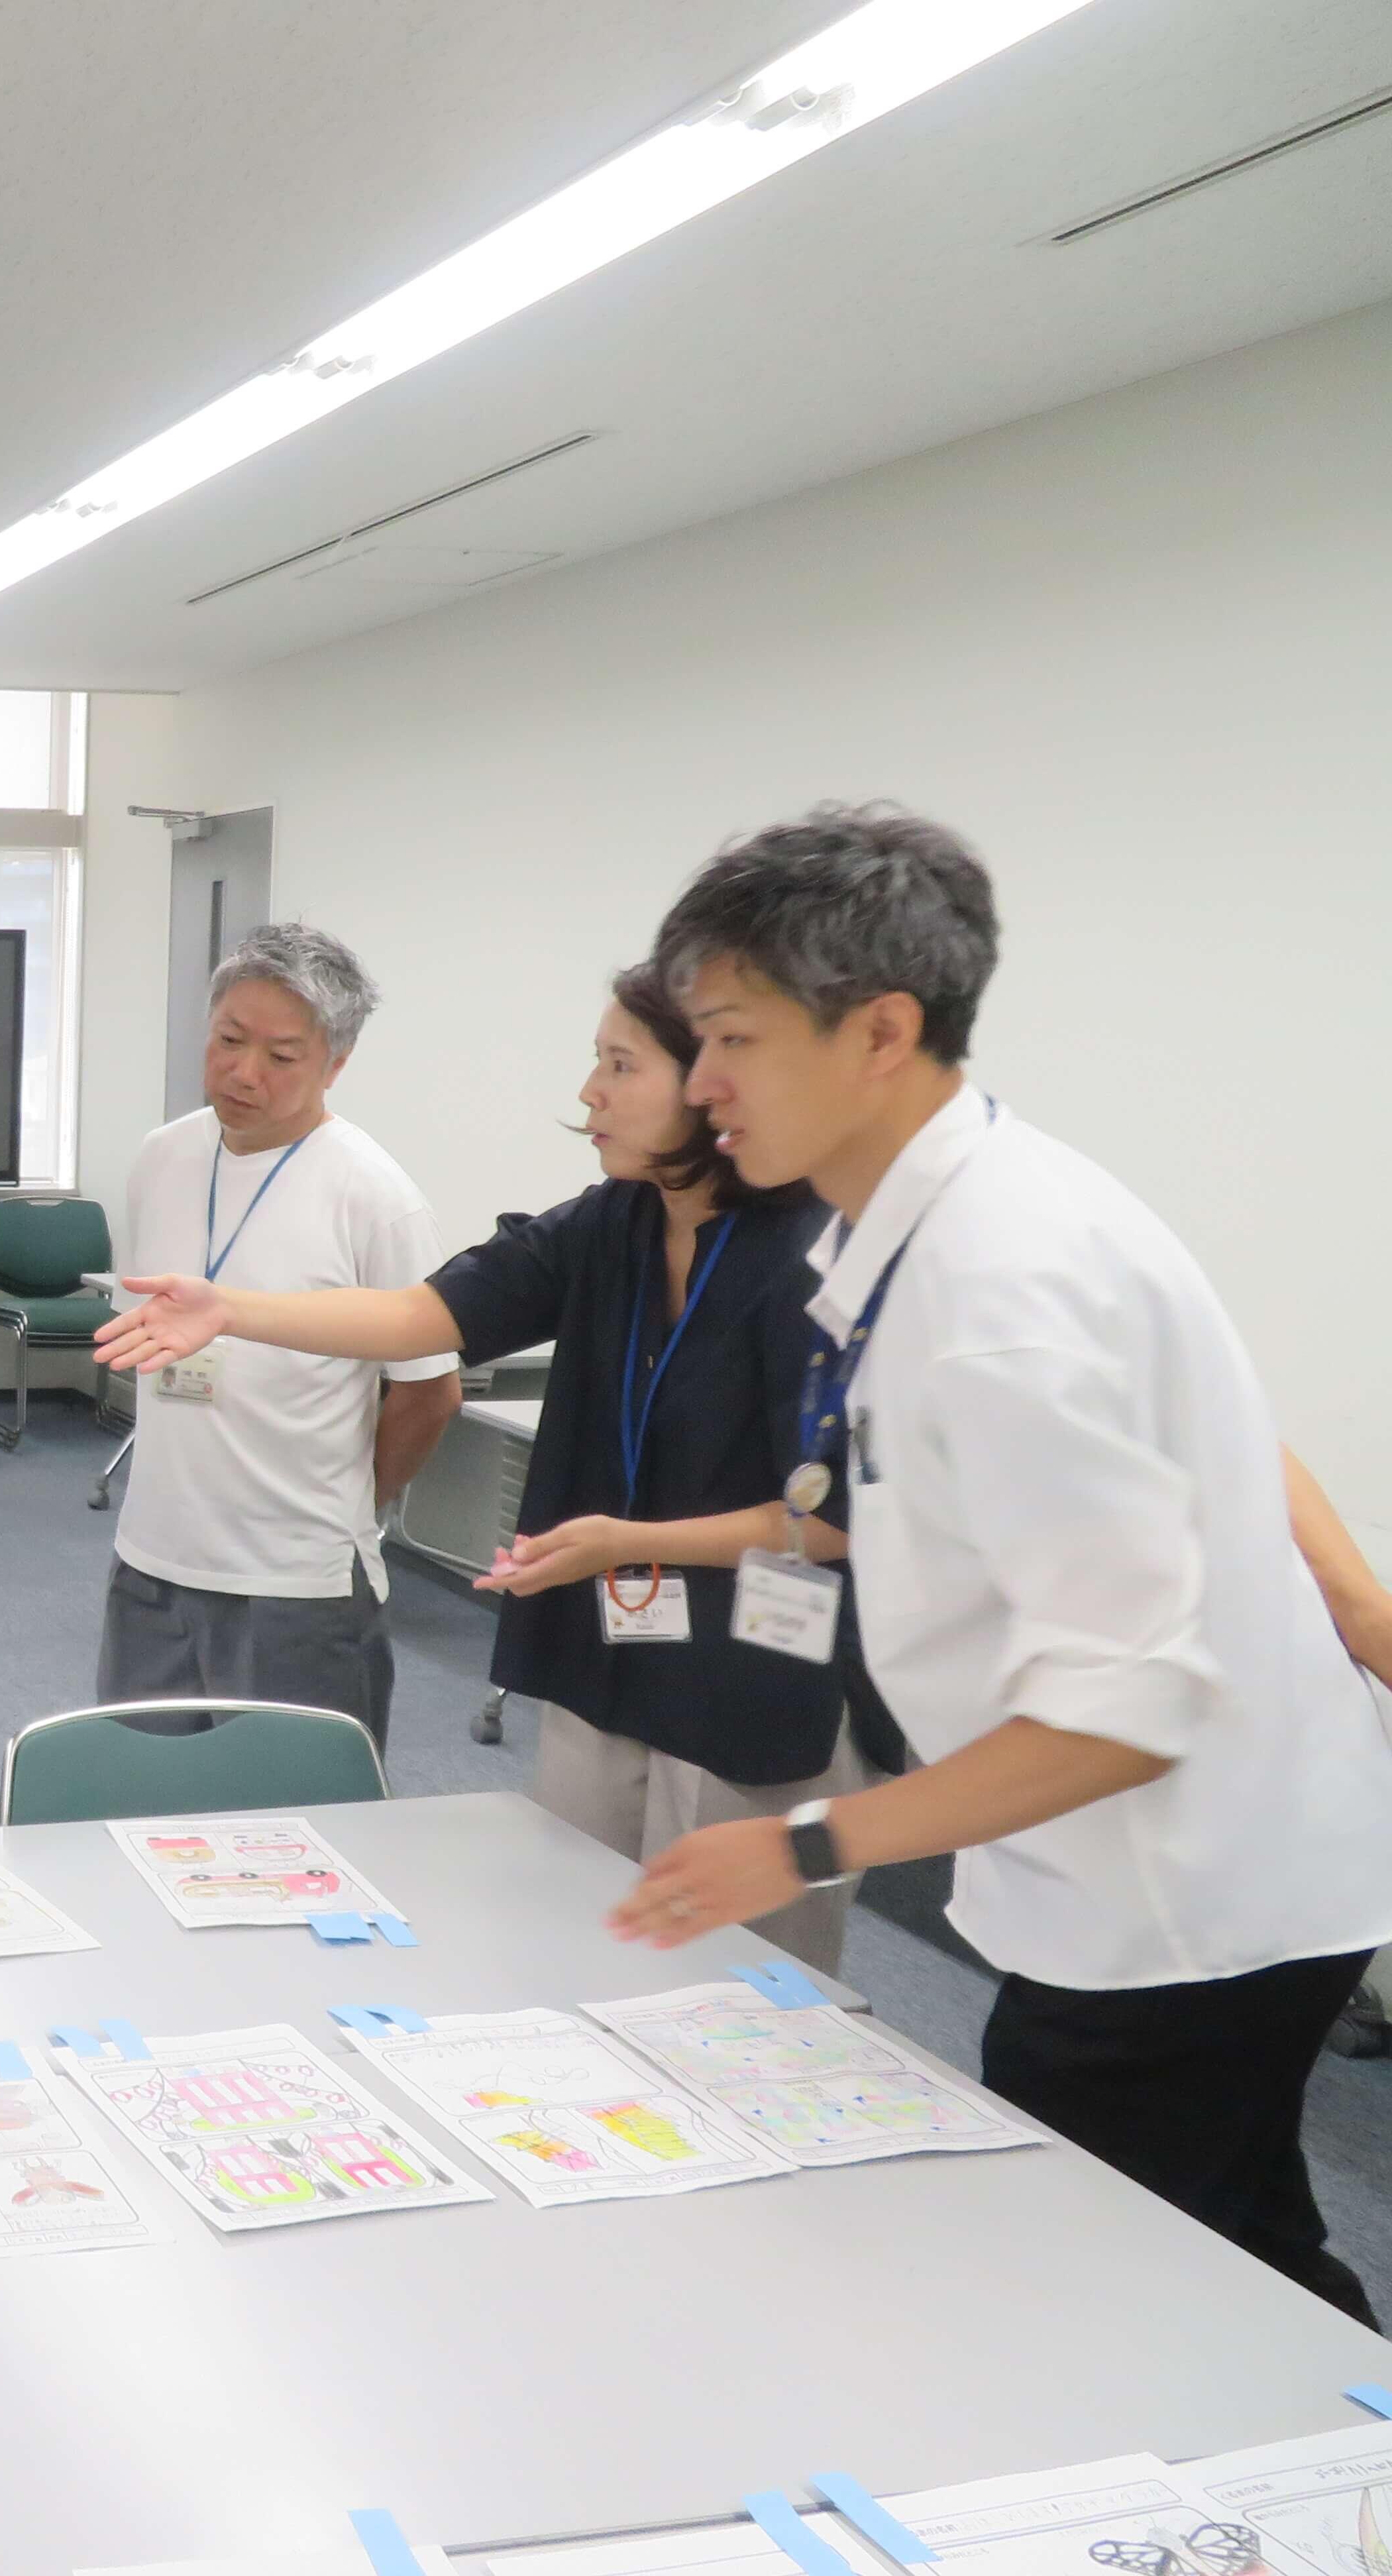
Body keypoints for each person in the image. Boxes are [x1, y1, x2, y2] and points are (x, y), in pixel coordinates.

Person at [609, 803, 1392, 2322]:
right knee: (1242, 2247)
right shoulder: (943, 1217)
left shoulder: (1003, 1288)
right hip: (1182, 1858)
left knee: (1105, 2288)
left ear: (880, 1030)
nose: (700, 1086)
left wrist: (804, 1845)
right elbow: (1215, 1437)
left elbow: (1121, 1715)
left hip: (1179, 1894)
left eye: (733, 1040)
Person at [101, 963, 872, 1965]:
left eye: (619, 1066)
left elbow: (836, 1518)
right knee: (582, 1937)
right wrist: (231, 1309)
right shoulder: (611, 1222)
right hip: (609, 1648)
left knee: (740, 1974)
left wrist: (625, 1542)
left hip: (753, 1662)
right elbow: (423, 1315)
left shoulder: (820, 1253)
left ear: (713, 1080)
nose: (589, 1092)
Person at [87, 926, 460, 1748]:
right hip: (152, 1560)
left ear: (336, 1064)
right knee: (139, 1800)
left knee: (298, 1817)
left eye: (282, 1056)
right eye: (229, 1040)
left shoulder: (375, 1197)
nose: (244, 1072)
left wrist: (350, 1502)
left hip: (298, 1582)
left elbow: (431, 1391)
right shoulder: (162, 1157)